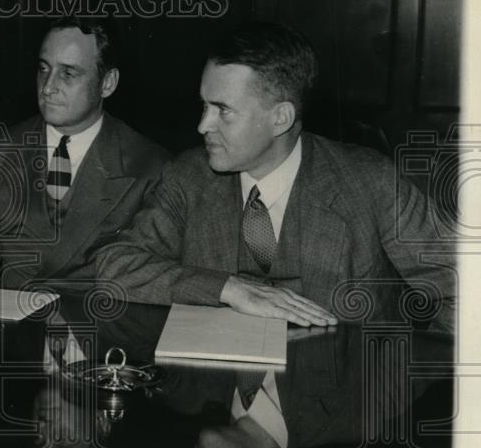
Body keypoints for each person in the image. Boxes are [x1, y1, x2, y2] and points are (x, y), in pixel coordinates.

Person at [96, 22, 455, 330]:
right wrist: (229, 288)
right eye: (204, 105)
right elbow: (117, 265)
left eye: (223, 111)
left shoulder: (371, 182)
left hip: (344, 404)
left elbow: (459, 291)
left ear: (280, 118)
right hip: (214, 403)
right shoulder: (188, 177)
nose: (202, 124)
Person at [0, 17, 169, 290]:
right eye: (44, 69)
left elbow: (148, 277)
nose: (47, 87)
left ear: (108, 83)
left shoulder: (151, 167)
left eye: (68, 73)